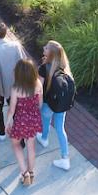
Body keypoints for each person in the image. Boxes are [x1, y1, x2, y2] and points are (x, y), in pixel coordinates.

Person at [0, 21, 27, 141]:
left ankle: (1, 132)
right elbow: (24, 63)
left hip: (1, 86)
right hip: (16, 85)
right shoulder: (16, 45)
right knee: (16, 110)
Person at [36, 41, 73, 170]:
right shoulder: (64, 68)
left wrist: (37, 104)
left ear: (50, 53)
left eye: (46, 47)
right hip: (61, 105)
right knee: (60, 128)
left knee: (45, 120)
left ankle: (44, 138)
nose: (43, 48)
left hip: (47, 103)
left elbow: (39, 89)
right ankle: (65, 158)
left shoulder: (43, 68)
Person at [6, 59, 43, 186]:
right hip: (33, 119)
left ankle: (24, 173)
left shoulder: (16, 88)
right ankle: (31, 173)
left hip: (20, 120)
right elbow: (40, 104)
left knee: (16, 144)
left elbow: (11, 109)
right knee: (31, 147)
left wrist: (8, 122)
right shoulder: (38, 84)